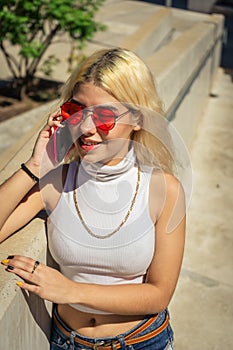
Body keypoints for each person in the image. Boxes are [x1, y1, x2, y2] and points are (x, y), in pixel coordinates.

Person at [0, 48, 187, 350]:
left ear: (137, 118)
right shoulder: (56, 182)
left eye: (104, 116)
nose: (85, 129)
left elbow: (159, 294)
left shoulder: (165, 190)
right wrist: (35, 166)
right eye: (75, 110)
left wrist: (70, 291)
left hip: (141, 342)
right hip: (66, 342)